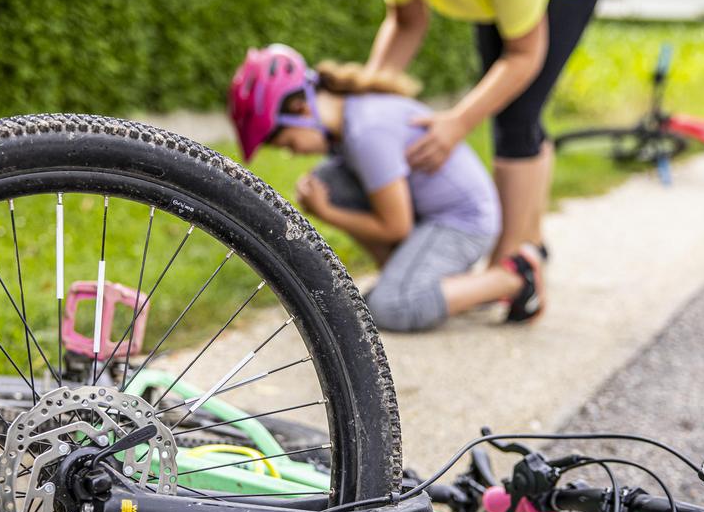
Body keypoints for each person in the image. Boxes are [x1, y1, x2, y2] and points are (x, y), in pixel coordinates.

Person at [330, 0, 611, 321]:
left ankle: (508, 274)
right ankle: (531, 241)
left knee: (515, 117)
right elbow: (406, 22)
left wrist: (456, 123)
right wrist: (363, 102)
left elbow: (523, 55)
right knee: (520, 110)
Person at [228, 43, 544, 332]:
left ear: (301, 111)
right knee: (328, 181)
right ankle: (406, 276)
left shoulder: (366, 132)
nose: (292, 152)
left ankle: (513, 278)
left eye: (287, 142)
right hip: (431, 216)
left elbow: (396, 227)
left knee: (390, 307)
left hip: (463, 224)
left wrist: (328, 213)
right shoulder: (351, 121)